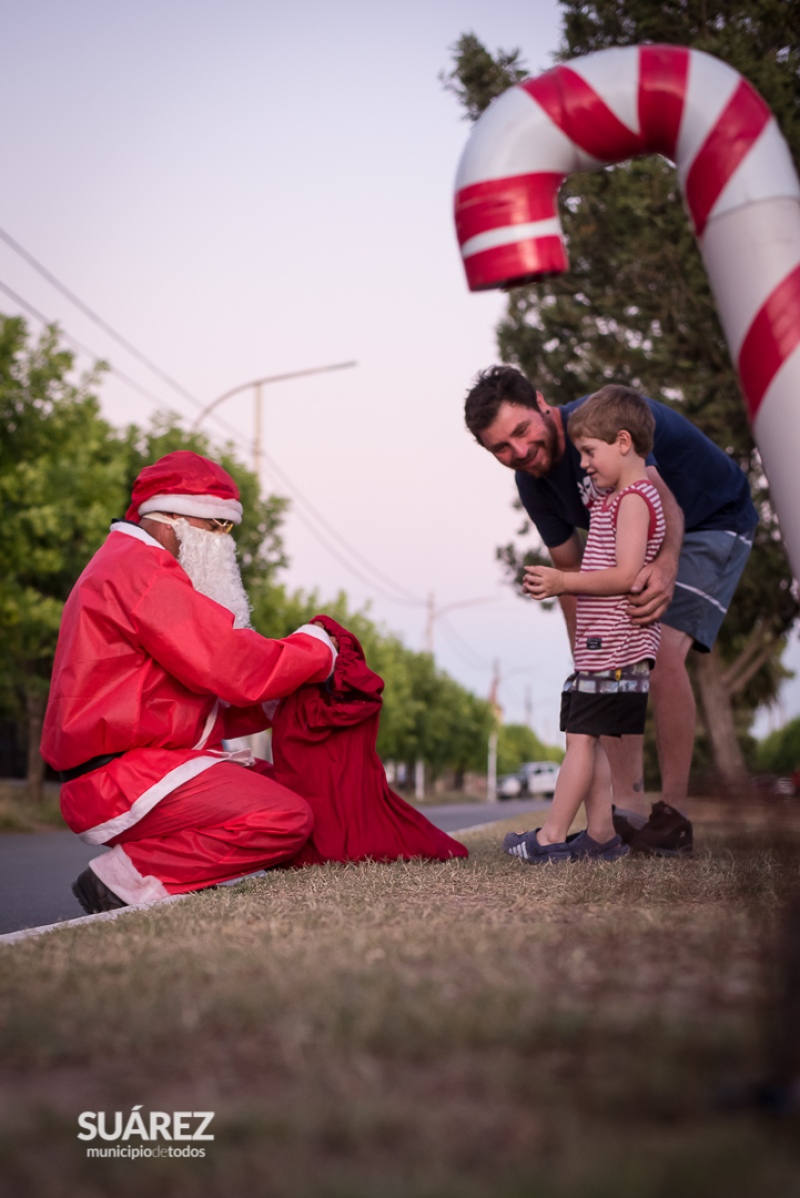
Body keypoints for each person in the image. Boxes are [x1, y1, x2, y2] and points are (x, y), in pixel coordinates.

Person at [465, 367, 758, 852]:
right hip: (642, 540)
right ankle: (627, 815)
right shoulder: (532, 482)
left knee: (660, 651)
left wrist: (664, 566)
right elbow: (569, 574)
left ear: (542, 403)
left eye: (521, 431)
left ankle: (673, 818)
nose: (518, 452)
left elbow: (668, 508)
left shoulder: (601, 423)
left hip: (710, 519)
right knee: (611, 668)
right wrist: (588, 659)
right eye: (501, 448)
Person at [41, 450, 339, 914]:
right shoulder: (140, 571)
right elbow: (232, 665)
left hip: (136, 766)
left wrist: (275, 701)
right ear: (173, 517)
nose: (225, 542)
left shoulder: (128, 563)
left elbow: (186, 700)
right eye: (216, 527)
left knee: (292, 793)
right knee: (285, 816)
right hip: (121, 776)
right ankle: (127, 878)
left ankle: (172, 872)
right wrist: (317, 650)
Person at [503, 387, 665, 863]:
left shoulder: (636, 499)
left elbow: (627, 575)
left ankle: (552, 836)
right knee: (584, 736)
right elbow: (588, 492)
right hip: (601, 647)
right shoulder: (613, 497)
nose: (586, 465)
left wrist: (562, 581)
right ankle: (599, 836)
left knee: (580, 740)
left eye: (590, 453)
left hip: (618, 646)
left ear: (623, 441)